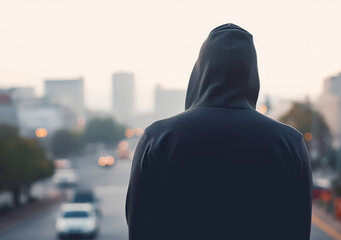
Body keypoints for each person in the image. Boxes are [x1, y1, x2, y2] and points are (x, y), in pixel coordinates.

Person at [126, 23, 312, 240]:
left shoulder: (157, 138)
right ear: (252, 74)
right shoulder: (290, 143)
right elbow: (299, 230)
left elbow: (139, 228)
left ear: (200, 72)